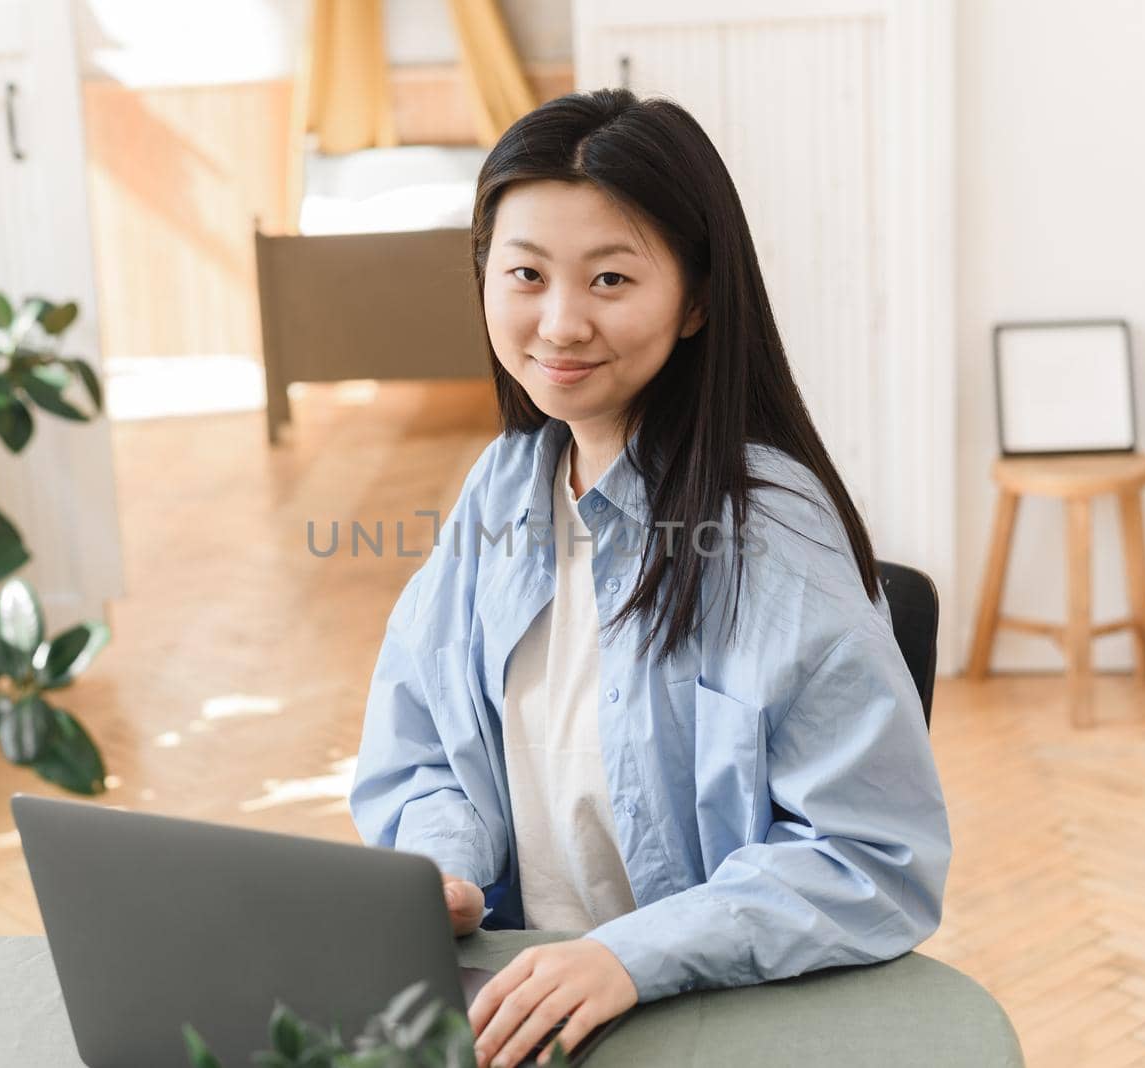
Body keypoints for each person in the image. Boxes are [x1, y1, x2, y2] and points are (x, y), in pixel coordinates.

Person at [348, 87, 950, 1068]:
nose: (560, 321)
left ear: (698, 297)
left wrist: (629, 956)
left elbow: (872, 857)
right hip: (521, 1010)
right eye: (526, 274)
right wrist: (446, 867)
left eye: (612, 280)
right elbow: (419, 750)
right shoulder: (500, 488)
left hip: (705, 1014)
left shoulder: (766, 525)